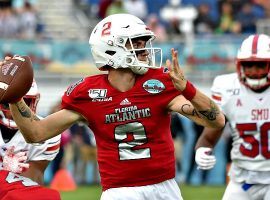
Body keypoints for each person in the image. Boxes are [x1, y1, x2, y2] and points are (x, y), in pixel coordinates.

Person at [5, 14, 225, 200]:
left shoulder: (159, 83)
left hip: (165, 187)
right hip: (120, 192)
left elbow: (216, 120)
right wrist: (14, 95)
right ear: (111, 48)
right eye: (136, 43)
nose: (145, 50)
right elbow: (36, 133)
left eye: (143, 43)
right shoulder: (87, 93)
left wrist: (188, 89)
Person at [195, 34, 270, 200]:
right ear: (239, 64)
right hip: (242, 180)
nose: (254, 71)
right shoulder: (227, 88)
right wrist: (201, 150)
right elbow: (208, 136)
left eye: (260, 65)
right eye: (248, 65)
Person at [0, 81, 61, 200]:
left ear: (35, 101)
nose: (15, 111)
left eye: (24, 103)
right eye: (8, 103)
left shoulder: (47, 134)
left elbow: (30, 185)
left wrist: (9, 173)